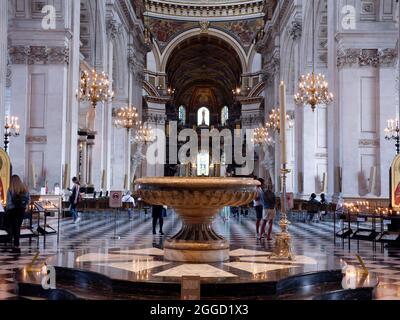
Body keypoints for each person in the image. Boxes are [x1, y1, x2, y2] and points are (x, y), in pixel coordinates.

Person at [6, 175, 30, 253]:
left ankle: (15, 244)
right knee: (18, 227)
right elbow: (28, 200)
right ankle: (17, 245)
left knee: (14, 227)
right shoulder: (24, 189)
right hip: (21, 211)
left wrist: (7, 210)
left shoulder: (10, 189)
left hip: (13, 211)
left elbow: (9, 203)